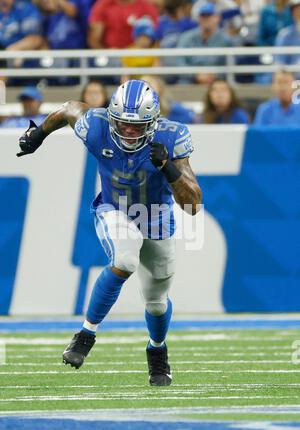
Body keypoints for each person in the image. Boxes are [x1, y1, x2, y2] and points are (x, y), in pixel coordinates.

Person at [16, 79, 202, 387]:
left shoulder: (172, 137)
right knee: (125, 260)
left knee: (156, 302)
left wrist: (168, 167)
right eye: (122, 124)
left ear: (153, 123)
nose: (128, 131)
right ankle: (86, 334)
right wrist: (38, 135)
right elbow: (68, 110)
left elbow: (194, 205)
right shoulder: (96, 125)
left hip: (156, 216)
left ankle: (157, 351)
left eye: (137, 126)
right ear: (112, 117)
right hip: (114, 208)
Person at [177, 2, 234, 85]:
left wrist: (215, 75)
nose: (205, 19)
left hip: (217, 80)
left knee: (225, 85)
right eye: (202, 16)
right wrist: (195, 75)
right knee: (182, 85)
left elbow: (229, 65)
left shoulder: (226, 40)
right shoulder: (186, 37)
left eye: (209, 16)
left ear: (217, 18)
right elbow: (180, 63)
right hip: (191, 79)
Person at [88, 0, 158, 49]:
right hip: (111, 56)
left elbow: (154, 38)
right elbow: (94, 39)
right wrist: (107, 55)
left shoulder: (147, 7)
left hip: (139, 56)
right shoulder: (103, 6)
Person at [121, 17, 159, 82]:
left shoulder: (153, 52)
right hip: (133, 82)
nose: (144, 40)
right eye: (142, 37)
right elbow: (125, 75)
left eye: (147, 37)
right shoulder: (129, 51)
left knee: (148, 79)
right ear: (136, 37)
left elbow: (156, 71)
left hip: (149, 83)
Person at [275, 0, 300, 77]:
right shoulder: (284, 35)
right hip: (293, 81)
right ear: (292, 13)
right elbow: (280, 61)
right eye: (296, 9)